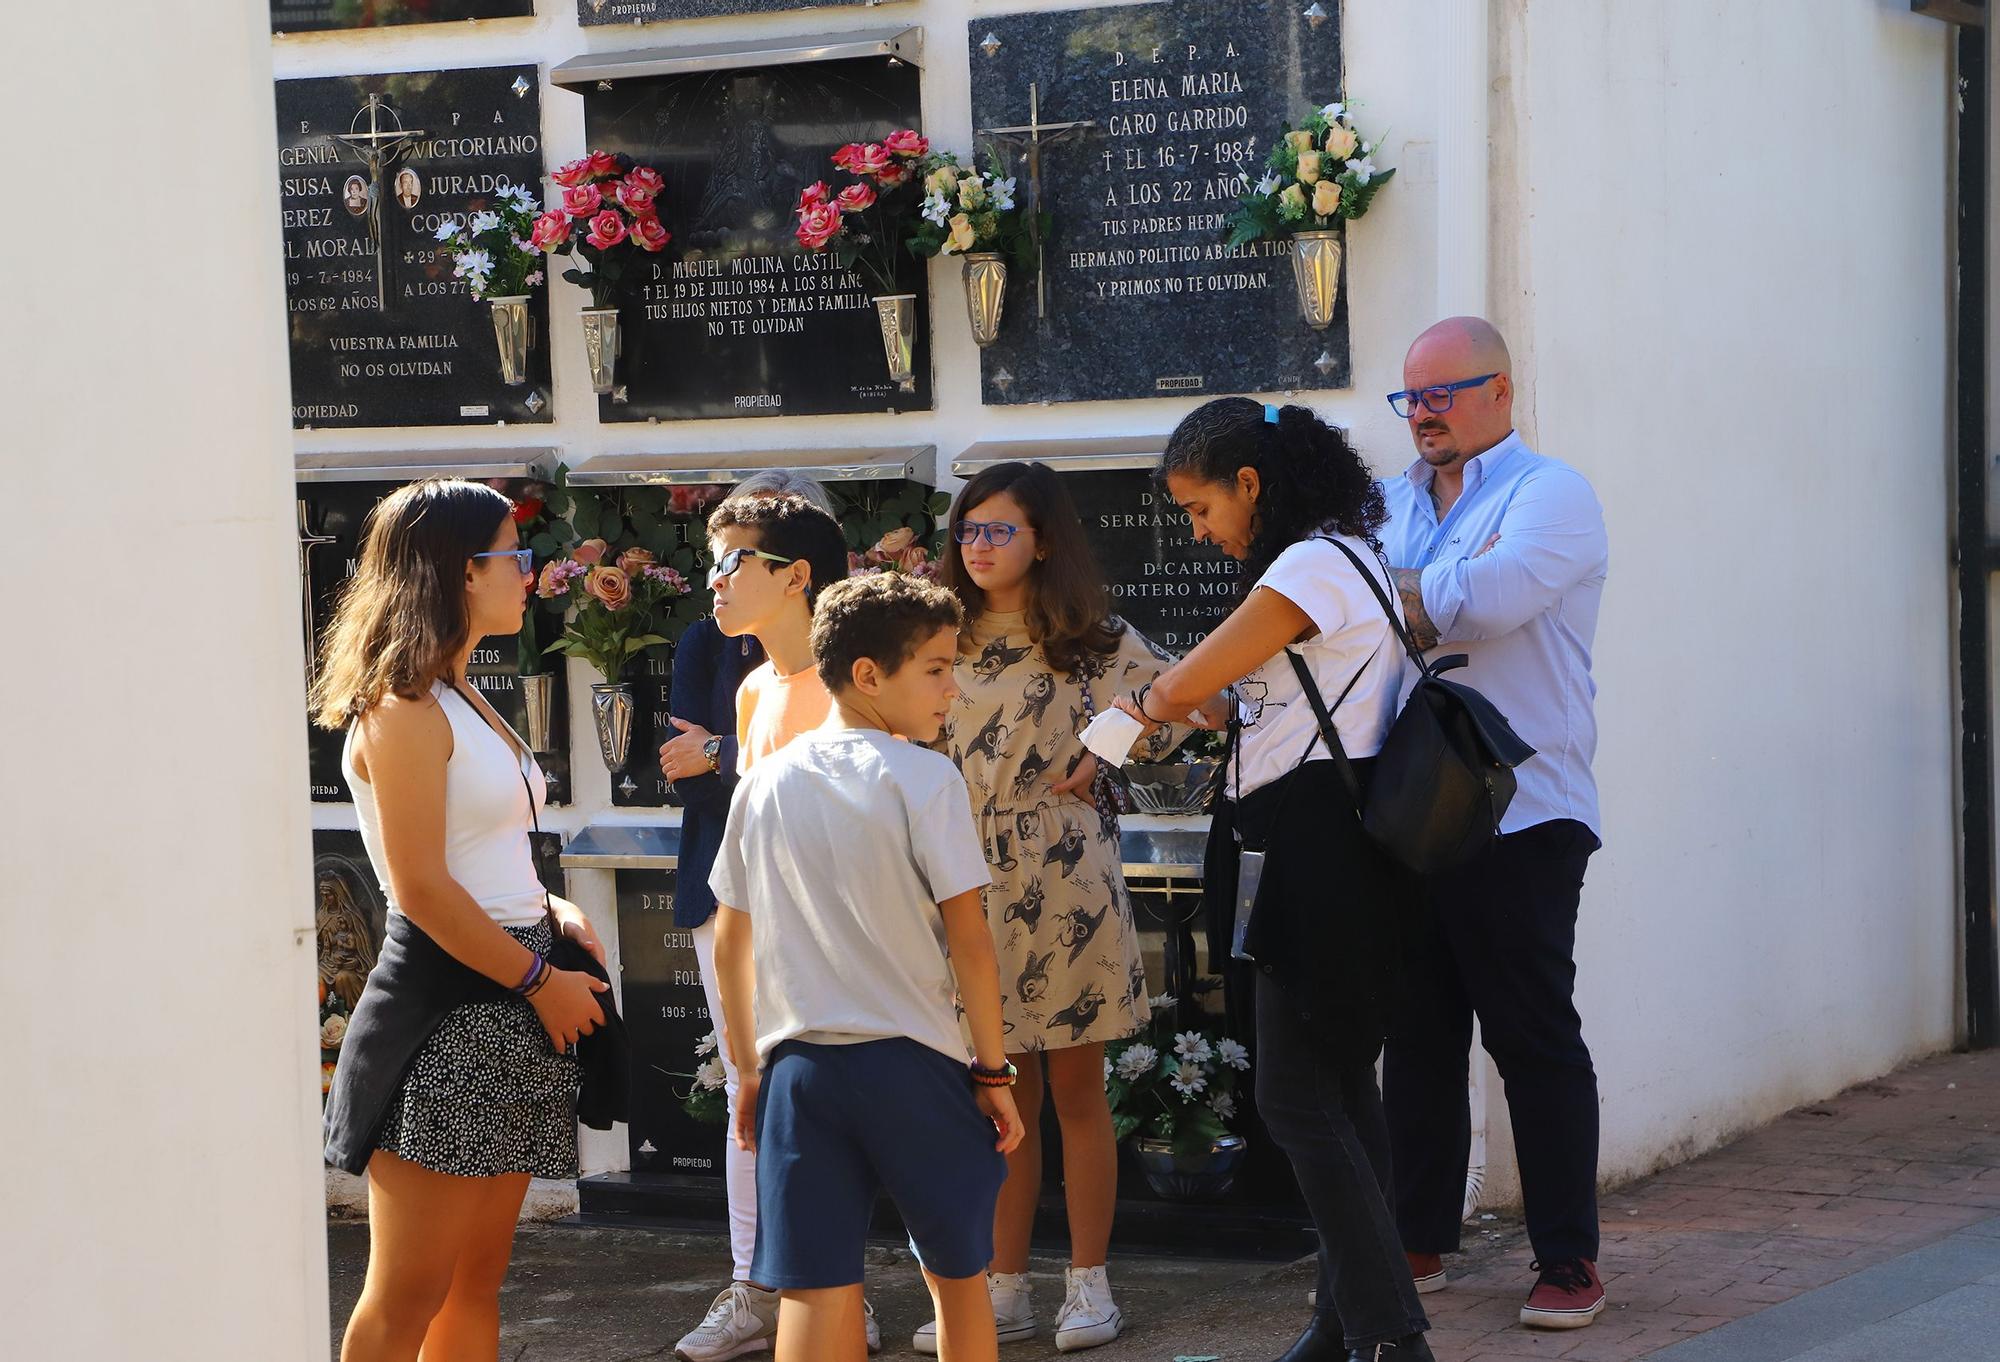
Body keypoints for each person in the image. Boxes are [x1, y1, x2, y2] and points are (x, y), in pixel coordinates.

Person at [1116, 398, 1433, 1362]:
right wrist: (1180, 696)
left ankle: (1391, 1333)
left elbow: (1181, 690)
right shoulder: (1348, 558)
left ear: (1249, 483)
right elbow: (1228, 699)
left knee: (1299, 1099)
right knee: (1339, 1086)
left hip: (1310, 845)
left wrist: (1145, 697)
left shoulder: (1308, 564)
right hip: (1324, 836)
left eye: (1201, 508)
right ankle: (1342, 1328)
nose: (1199, 532)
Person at [313, 478, 611, 1362]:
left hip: (517, 998)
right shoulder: (401, 708)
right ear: (455, 571)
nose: (530, 573)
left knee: (474, 1286)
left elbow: (489, 848)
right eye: (511, 556)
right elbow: (423, 887)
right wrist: (540, 980)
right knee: (408, 1294)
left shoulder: (462, 690)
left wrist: (550, 910)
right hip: (449, 1014)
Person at [708, 571, 1027, 1362]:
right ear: (868, 675)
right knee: (959, 1280)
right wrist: (993, 1073)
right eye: (936, 668)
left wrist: (748, 1069)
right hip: (915, 1066)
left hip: (800, 1071)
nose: (953, 688)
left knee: (813, 1294)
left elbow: (727, 939)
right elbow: (971, 942)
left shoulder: (764, 781)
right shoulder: (924, 778)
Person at [915, 461, 1187, 1354]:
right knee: (997, 1094)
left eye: (1000, 529)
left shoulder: (1089, 635)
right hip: (959, 873)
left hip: (1063, 864)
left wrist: (1107, 747)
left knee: (1074, 1087)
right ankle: (1003, 1289)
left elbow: (1192, 699)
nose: (981, 546)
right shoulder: (935, 631)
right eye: (969, 529)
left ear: (1044, 539)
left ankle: (1088, 1285)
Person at [1377, 316, 1610, 1330]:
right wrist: (1415, 599)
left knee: (1531, 1038)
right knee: (1416, 1033)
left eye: (1444, 392)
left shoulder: (1549, 493)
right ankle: (1415, 1237)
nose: (1424, 412)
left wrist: (1389, 596)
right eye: (1411, 397)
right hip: (1405, 805)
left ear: (1500, 391)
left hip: (1523, 809)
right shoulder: (1383, 499)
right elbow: (1386, 611)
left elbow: (1489, 603)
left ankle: (1567, 1261)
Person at [669, 486, 860, 1362]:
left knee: (853, 1121)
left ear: (797, 577)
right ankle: (766, 1289)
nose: (712, 581)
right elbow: (745, 845)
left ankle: (845, 1299)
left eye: (730, 561)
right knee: (762, 1110)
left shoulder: (859, 682)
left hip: (849, 946)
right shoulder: (748, 689)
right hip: (760, 938)